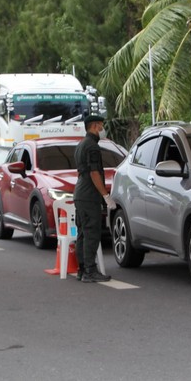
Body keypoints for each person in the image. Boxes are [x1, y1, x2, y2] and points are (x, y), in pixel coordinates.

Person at [73, 115, 114, 283]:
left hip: (80, 194)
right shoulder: (92, 147)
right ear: (95, 126)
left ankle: (82, 269)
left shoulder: (81, 144)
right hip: (89, 196)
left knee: (82, 233)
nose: (103, 130)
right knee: (91, 233)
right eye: (102, 126)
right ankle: (90, 270)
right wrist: (105, 195)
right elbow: (94, 173)